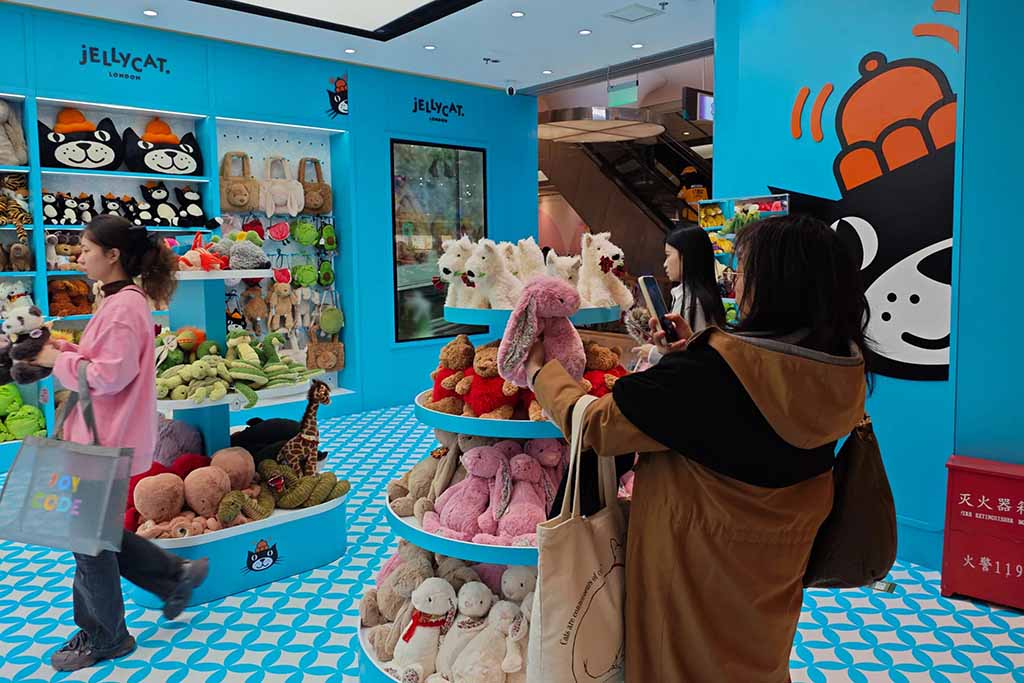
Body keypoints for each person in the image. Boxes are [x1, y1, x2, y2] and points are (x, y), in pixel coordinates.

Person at [526, 215, 870, 682]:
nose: (735, 281)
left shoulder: (709, 375)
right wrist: (690, 353)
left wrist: (541, 373)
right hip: (773, 581)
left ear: (775, 285)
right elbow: (746, 411)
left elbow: (599, 426)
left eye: (743, 270)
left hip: (692, 578)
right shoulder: (840, 368)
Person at [32, 215, 209, 672]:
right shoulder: (118, 301)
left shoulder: (125, 306)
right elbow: (102, 361)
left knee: (88, 541)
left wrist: (56, 362)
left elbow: (110, 375)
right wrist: (64, 351)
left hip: (104, 439)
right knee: (97, 533)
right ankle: (173, 576)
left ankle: (106, 636)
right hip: (102, 435)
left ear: (112, 255)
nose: (79, 257)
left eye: (86, 249)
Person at [636, 225, 726, 366]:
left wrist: (653, 354)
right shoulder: (699, 296)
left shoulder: (693, 304)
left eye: (668, 255)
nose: (665, 264)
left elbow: (694, 363)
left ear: (686, 256)